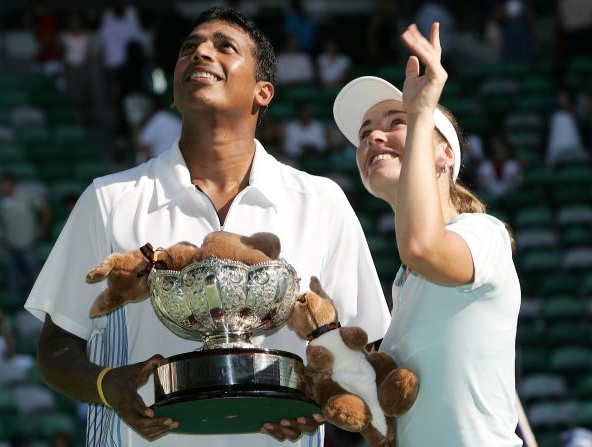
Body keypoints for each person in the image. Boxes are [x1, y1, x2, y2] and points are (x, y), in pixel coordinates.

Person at [25, 7, 390, 447]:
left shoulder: (322, 201)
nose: (200, 53)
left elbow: (364, 347)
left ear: (263, 92)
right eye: (188, 48)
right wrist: (107, 386)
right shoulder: (109, 198)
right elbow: (55, 351)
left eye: (224, 47)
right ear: (175, 94)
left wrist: (314, 398)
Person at [333, 22, 522, 446]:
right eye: (364, 134)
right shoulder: (402, 283)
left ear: (445, 153)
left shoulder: (482, 233)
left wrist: (420, 110)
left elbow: (421, 245)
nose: (373, 136)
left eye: (394, 122)